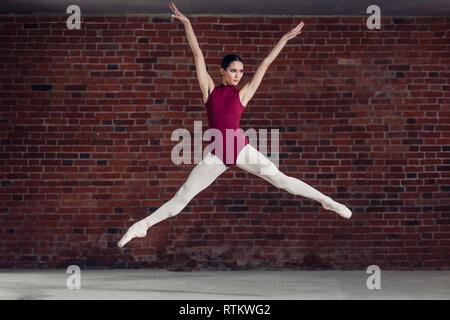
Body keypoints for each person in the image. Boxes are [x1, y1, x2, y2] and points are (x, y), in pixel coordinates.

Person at [117, 2, 352, 248]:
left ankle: (328, 201)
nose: (238, 75)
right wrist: (187, 24)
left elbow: (265, 64)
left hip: (241, 149)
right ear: (222, 71)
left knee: (281, 180)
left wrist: (284, 38)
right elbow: (198, 55)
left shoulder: (243, 94)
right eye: (233, 71)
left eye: (240, 71)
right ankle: (140, 226)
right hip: (218, 154)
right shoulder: (209, 90)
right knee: (183, 196)